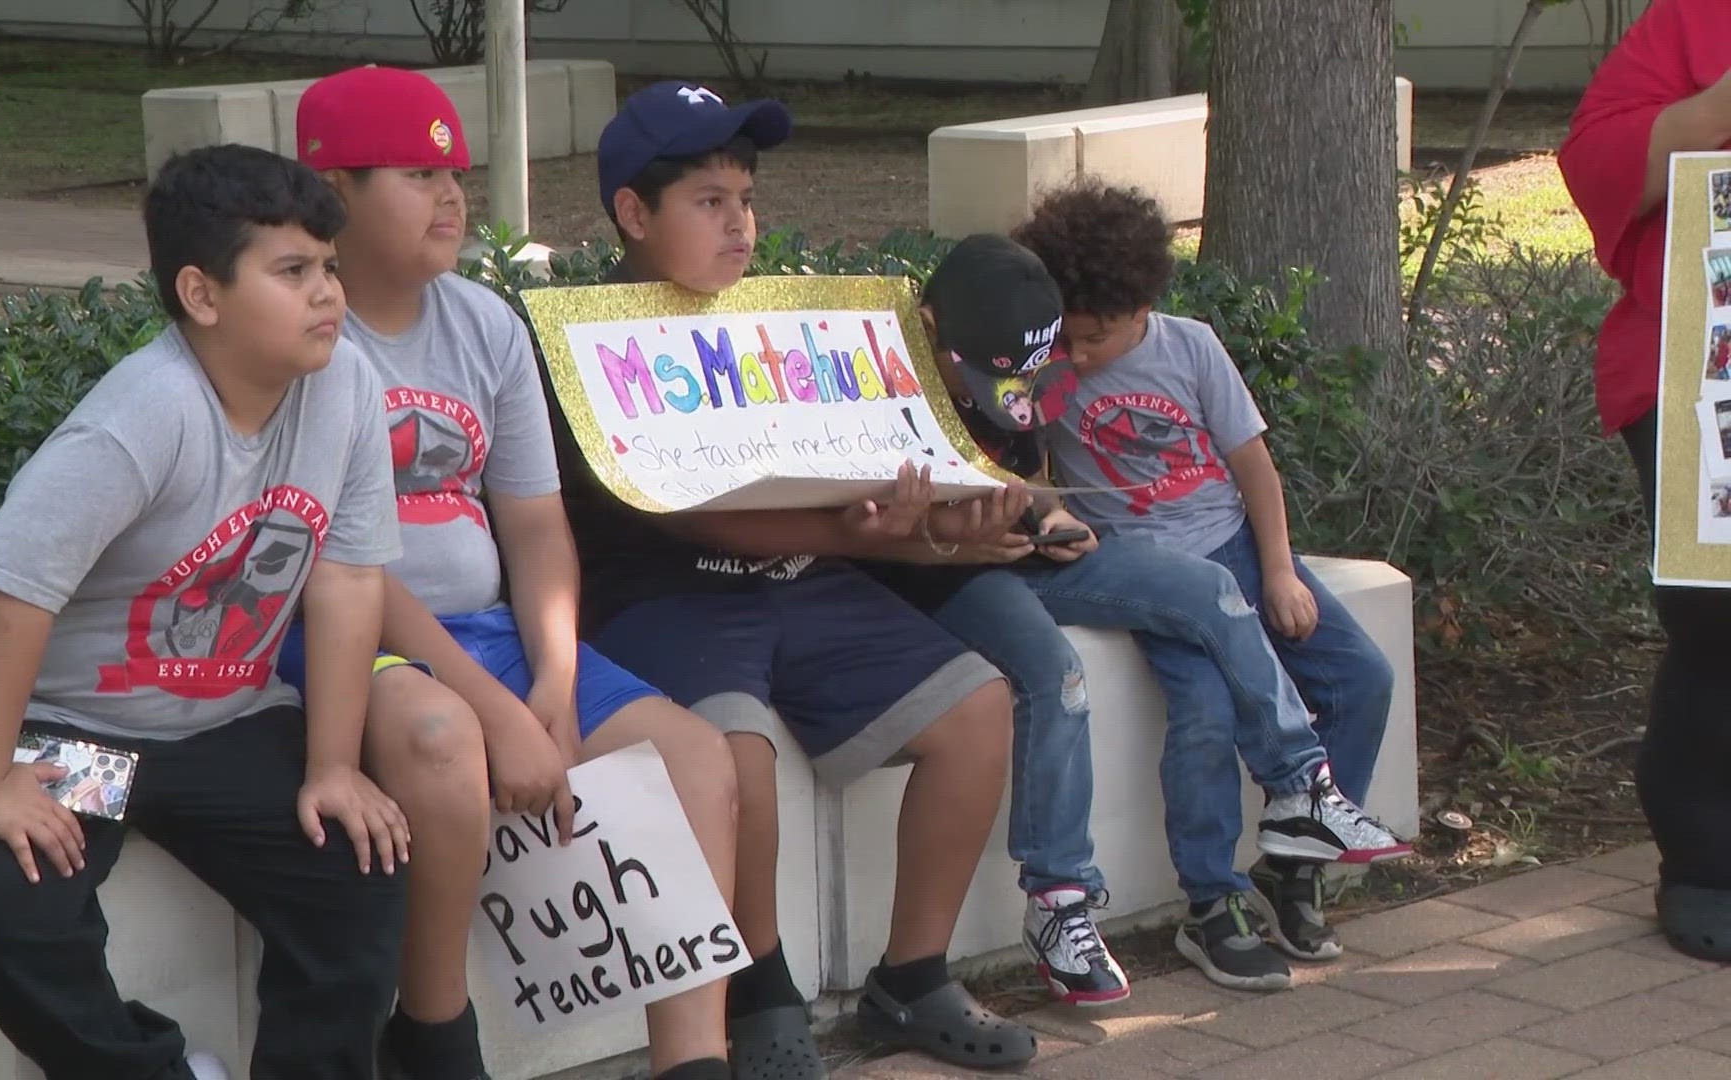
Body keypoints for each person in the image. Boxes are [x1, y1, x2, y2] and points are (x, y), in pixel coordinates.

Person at [555, 80, 1042, 1077]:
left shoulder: (782, 328)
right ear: (632, 214)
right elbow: (693, 503)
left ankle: (912, 978)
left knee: (979, 706)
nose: (741, 225)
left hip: (808, 583)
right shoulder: (590, 338)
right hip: (662, 599)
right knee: (734, 751)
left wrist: (952, 534)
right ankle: (760, 986)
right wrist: (891, 535)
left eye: (747, 199)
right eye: (709, 202)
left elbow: (857, 494)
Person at [0, 144, 410, 1080]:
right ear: (201, 294)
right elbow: (11, 596)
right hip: (70, 737)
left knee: (355, 867)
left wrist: (334, 765)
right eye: (292, 272)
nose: (327, 293)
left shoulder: (346, 389)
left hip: (217, 736)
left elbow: (345, 579)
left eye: (329, 267)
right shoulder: (145, 413)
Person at [284, 66, 741, 1080]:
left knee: (695, 759)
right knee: (447, 743)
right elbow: (342, 564)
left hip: (488, 626)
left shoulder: (486, 324)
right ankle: (436, 1033)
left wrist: (557, 684)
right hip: (348, 630)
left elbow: (536, 530)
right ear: (333, 196)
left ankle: (694, 1061)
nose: (453, 196)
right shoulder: (311, 333)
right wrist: (496, 709)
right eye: (417, 173)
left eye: (458, 171)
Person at [862, 234, 1408, 995]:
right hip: (954, 575)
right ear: (931, 327)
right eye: (1003, 375)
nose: (1032, 384)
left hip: (1034, 552)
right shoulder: (888, 379)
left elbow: (1037, 474)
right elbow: (877, 540)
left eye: (1039, 365)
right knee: (1059, 677)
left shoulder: (1039, 368)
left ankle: (1300, 791)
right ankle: (1059, 900)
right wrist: (964, 536)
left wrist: (1049, 518)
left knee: (1212, 591)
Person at [1008, 181, 1410, 983]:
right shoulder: (1045, 372)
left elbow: (1253, 468)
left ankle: (1293, 865)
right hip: (1154, 573)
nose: (1080, 356)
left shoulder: (1189, 347)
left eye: (1096, 338)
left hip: (1233, 546)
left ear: (1142, 304)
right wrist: (1053, 516)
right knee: (1205, 717)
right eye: (1070, 337)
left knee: (1361, 677)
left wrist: (1278, 570)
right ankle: (1212, 903)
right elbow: (1030, 472)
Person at [1559, 0, 1731, 961]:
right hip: (1701, 365)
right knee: (1720, 612)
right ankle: (1707, 861)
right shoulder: (1695, 22)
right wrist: (1710, 114)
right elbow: (1595, 161)